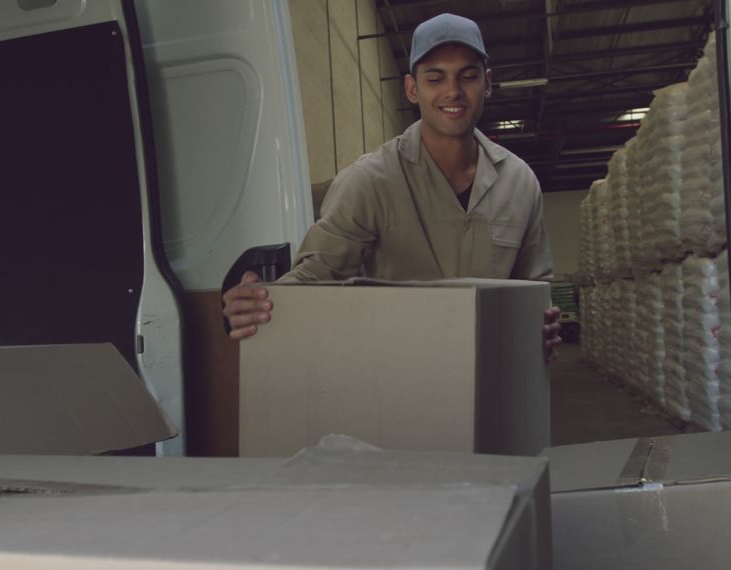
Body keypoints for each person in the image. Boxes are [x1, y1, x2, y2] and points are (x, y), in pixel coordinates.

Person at [223, 12, 562, 361]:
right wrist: (260, 301)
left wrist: (545, 322)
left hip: (495, 376)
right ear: (412, 89)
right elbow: (316, 274)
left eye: (468, 76)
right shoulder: (370, 182)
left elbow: (536, 287)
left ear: (487, 83)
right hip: (399, 375)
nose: (453, 91)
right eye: (435, 78)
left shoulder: (520, 183)